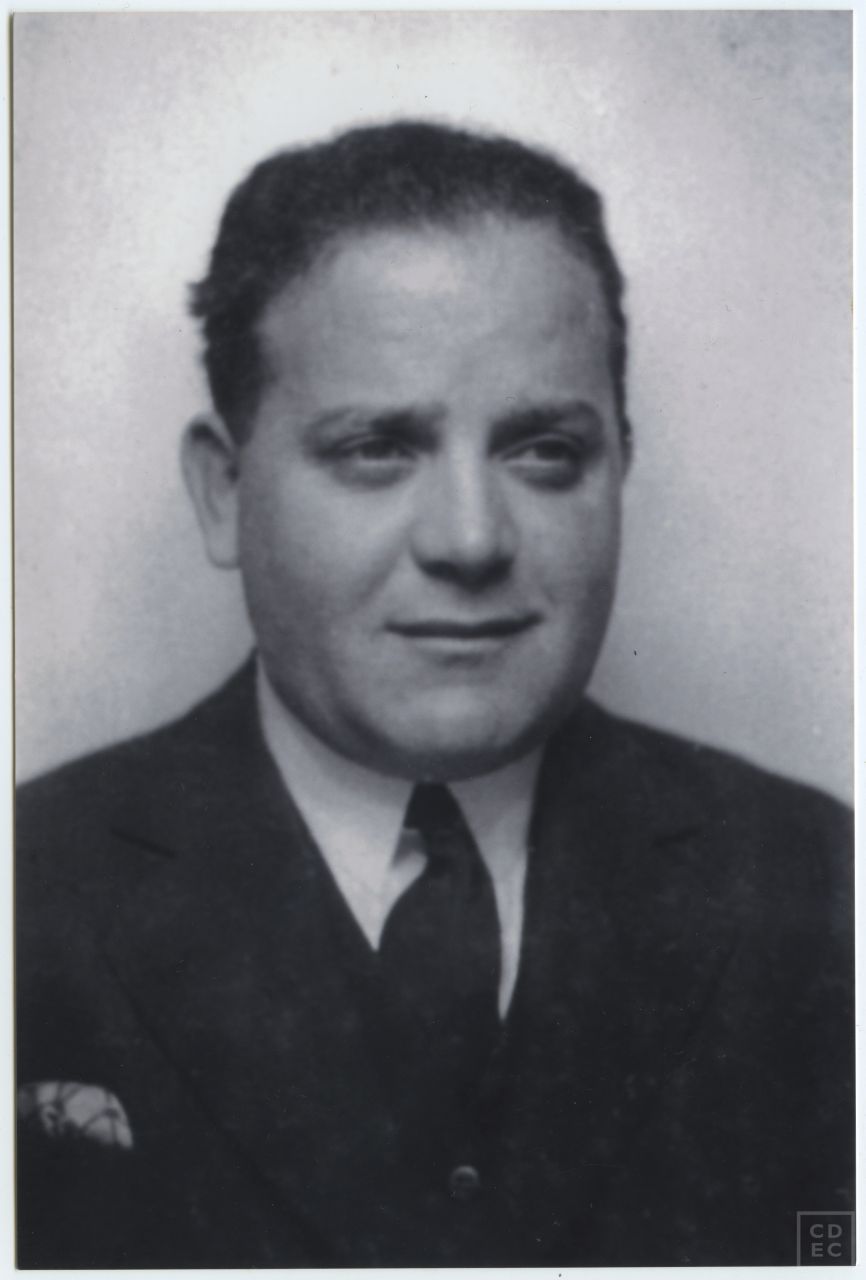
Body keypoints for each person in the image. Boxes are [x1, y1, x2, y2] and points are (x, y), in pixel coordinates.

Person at [15, 120, 853, 1268]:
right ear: (224, 491)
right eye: (376, 447)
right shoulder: (31, 889)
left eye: (543, 450)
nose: (469, 538)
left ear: (618, 468)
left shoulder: (818, 888)